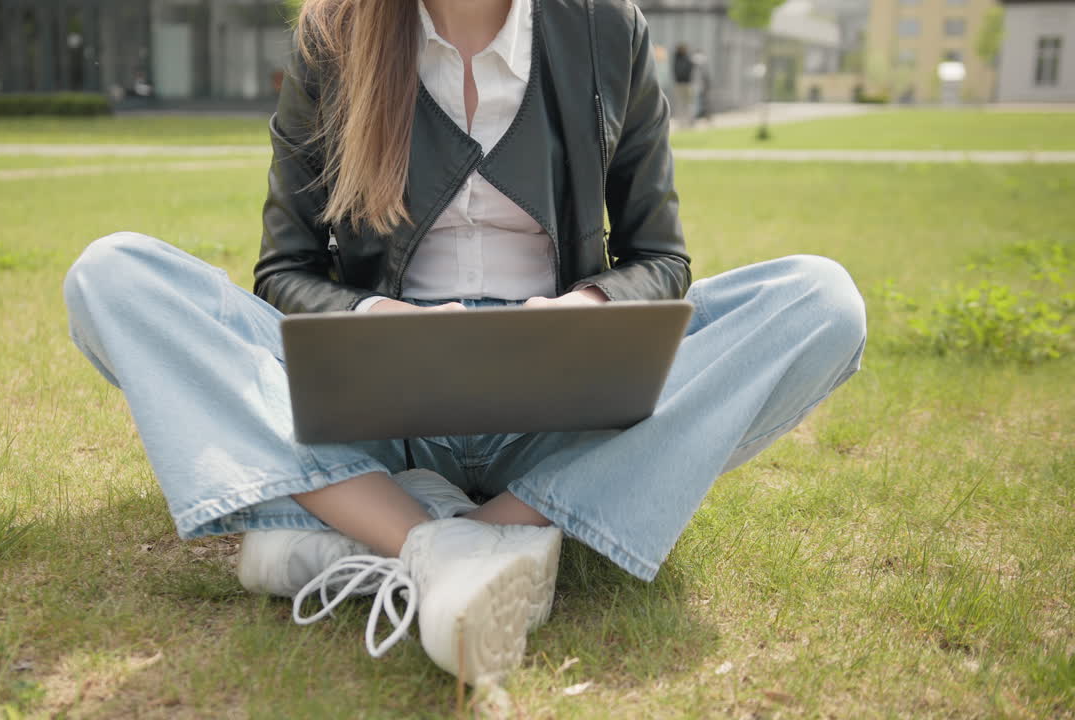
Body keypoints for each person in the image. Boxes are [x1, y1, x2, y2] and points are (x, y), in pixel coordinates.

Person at [63, 0, 865, 687]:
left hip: (559, 405)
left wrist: (584, 306)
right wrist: (377, 321)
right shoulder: (334, 34)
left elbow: (663, 260)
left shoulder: (605, 25)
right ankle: (452, 541)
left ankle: (388, 532)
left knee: (819, 300)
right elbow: (284, 272)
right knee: (115, 277)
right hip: (376, 403)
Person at [672, 43, 694, 124]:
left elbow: (690, 69)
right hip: (679, 84)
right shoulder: (677, 58)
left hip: (687, 83)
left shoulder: (688, 58)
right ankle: (681, 121)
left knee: (688, 103)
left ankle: (689, 120)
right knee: (680, 103)